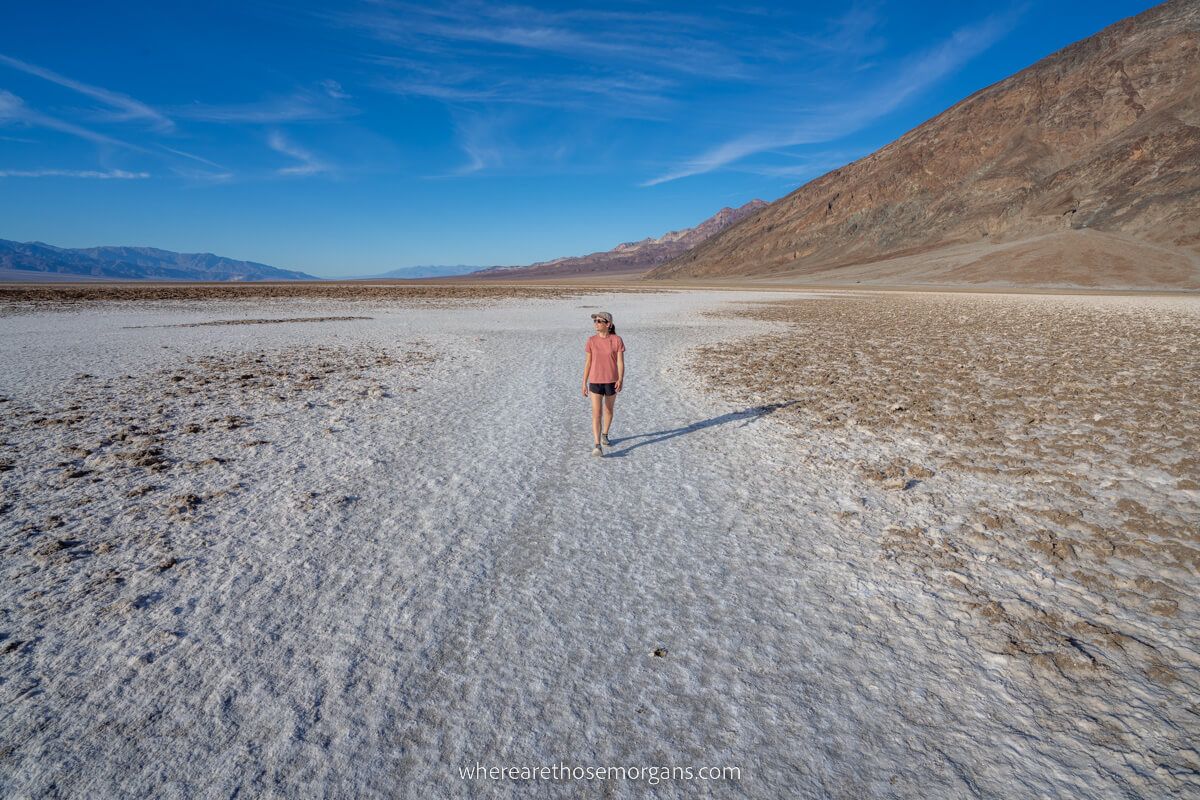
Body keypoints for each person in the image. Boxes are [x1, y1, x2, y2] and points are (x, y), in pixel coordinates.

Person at [581, 311, 625, 457]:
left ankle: (604, 434)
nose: (596, 324)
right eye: (595, 321)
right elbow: (588, 363)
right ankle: (597, 445)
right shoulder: (591, 341)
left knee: (608, 411)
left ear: (608, 324)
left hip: (611, 381)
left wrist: (620, 379)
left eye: (599, 321)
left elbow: (620, 361)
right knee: (596, 413)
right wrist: (583, 382)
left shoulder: (617, 340)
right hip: (595, 381)